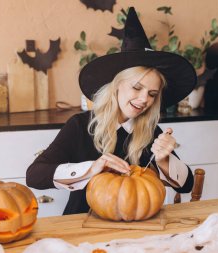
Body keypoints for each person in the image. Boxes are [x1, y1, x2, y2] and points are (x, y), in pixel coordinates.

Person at [26, 7, 197, 215]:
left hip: (135, 227)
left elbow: (187, 185)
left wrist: (164, 160)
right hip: (81, 225)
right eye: (136, 88)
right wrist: (92, 169)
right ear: (116, 85)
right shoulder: (80, 126)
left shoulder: (150, 131)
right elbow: (34, 175)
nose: (145, 100)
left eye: (152, 94)